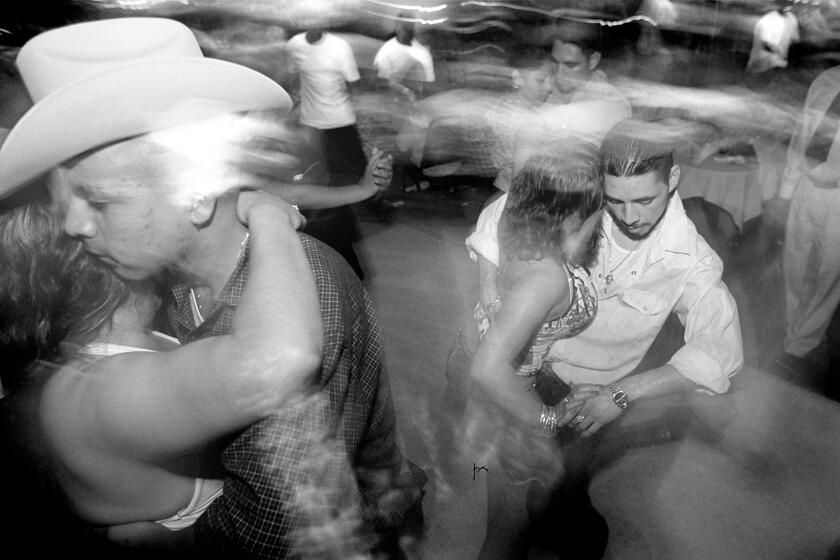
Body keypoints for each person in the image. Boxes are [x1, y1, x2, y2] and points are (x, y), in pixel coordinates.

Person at [0, 17, 423, 559]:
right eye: (64, 204)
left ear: (195, 191)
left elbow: (277, 529)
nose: (73, 226)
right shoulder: (161, 278)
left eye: (99, 202)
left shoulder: (302, 293)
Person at [466, 118, 743, 559]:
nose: (629, 217)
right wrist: (489, 288)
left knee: (564, 488)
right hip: (522, 377)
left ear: (672, 179)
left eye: (645, 200)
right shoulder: (586, 203)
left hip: (590, 396)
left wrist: (621, 394)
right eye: (616, 201)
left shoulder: (691, 260)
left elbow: (720, 352)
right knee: (509, 499)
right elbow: (505, 209)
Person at [0, 187, 319, 553]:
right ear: (106, 263)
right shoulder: (102, 392)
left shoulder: (135, 340)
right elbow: (278, 358)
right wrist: (269, 214)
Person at [461, 148, 604, 560]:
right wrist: (549, 417)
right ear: (576, 215)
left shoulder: (516, 228)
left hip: (497, 409)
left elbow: (490, 212)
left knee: (504, 496)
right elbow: (487, 368)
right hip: (516, 406)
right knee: (508, 535)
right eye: (600, 210)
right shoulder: (545, 279)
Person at [772, 63, 840, 386]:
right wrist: (786, 190)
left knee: (828, 278)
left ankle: (800, 346)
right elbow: (802, 135)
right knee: (795, 265)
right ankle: (792, 326)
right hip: (807, 185)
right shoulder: (826, 80)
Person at [285, 26, 368, 277]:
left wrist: (363, 122)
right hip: (311, 126)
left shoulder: (340, 47)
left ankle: (348, 240)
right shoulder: (295, 45)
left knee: (346, 181)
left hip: (341, 124)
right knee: (323, 184)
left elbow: (354, 86)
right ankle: (342, 245)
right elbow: (292, 80)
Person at [372, 17, 436, 198]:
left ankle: (410, 184)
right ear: (397, 26)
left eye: (410, 25)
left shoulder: (422, 51)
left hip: (414, 110)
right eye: (403, 25)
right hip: (393, 110)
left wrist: (417, 102)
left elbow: (428, 84)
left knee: (406, 150)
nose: (407, 28)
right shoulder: (387, 50)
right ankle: (400, 186)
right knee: (397, 149)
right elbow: (381, 83)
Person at [484, 46, 554, 193]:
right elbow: (524, 179)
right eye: (541, 80)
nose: (549, 87)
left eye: (550, 79)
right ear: (517, 77)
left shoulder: (501, 103)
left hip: (499, 186)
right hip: (521, 194)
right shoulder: (530, 122)